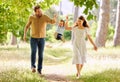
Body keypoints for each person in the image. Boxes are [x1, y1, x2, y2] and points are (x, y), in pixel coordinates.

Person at [23, 5, 57, 75]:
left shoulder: (44, 17)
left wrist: (54, 18)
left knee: (40, 55)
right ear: (35, 12)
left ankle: (39, 69)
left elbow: (52, 22)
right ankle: (33, 67)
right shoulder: (31, 17)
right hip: (33, 39)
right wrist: (25, 35)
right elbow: (26, 26)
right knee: (33, 51)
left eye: (40, 10)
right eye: (38, 11)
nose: (40, 12)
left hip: (42, 39)